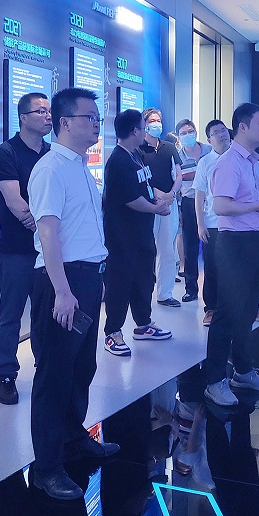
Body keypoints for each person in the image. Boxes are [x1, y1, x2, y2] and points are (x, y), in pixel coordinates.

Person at [27, 87, 119, 500]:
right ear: (65, 123)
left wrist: (97, 277)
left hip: (86, 278)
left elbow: (83, 229)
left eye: (98, 118)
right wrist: (63, 292)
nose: (97, 124)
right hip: (60, 282)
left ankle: (73, 439)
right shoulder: (51, 169)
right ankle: (46, 468)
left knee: (82, 367)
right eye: (89, 118)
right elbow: (47, 233)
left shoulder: (80, 166)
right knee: (54, 375)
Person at [204, 103, 259, 407]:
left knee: (247, 311)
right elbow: (221, 206)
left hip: (254, 241)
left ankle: (243, 371)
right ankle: (214, 381)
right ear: (243, 127)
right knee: (227, 313)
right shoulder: (230, 162)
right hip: (234, 244)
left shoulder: (253, 161)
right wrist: (256, 208)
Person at [0, 92, 52, 405]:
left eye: (49, 111)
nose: (48, 116)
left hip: (47, 252)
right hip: (16, 250)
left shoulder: (52, 154)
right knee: (11, 316)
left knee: (44, 315)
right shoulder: (6, 153)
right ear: (23, 117)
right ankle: (6, 375)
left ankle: (46, 369)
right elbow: (15, 203)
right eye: (40, 111)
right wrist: (45, 229)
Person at [101, 109, 175, 357]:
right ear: (135, 131)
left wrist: (157, 200)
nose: (147, 131)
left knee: (143, 279)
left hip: (142, 234)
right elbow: (129, 198)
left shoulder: (136, 156)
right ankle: (113, 333)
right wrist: (156, 208)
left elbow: (145, 187)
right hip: (122, 238)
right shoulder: (118, 161)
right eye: (144, 127)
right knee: (120, 284)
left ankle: (143, 324)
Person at [140, 108, 183, 307]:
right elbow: (140, 177)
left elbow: (178, 174)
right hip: (147, 205)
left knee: (167, 250)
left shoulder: (169, 147)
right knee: (146, 250)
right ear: (145, 124)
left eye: (158, 120)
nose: (156, 123)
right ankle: (142, 294)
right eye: (152, 120)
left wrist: (171, 194)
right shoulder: (138, 148)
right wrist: (157, 194)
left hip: (169, 204)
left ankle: (165, 293)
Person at [193, 119, 231, 327]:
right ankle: (211, 309)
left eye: (224, 130)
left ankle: (240, 306)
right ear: (209, 139)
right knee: (213, 268)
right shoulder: (205, 162)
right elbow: (199, 195)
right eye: (216, 132)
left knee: (236, 267)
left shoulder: (240, 157)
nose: (222, 134)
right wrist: (200, 223)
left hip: (237, 223)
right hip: (213, 223)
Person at [174, 118, 212, 303]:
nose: (187, 135)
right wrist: (179, 210)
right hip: (189, 202)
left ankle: (213, 290)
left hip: (210, 202)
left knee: (211, 245)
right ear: (178, 137)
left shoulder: (209, 151)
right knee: (190, 247)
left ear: (196, 132)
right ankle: (191, 289)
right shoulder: (177, 157)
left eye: (190, 131)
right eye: (183, 133)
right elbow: (176, 184)